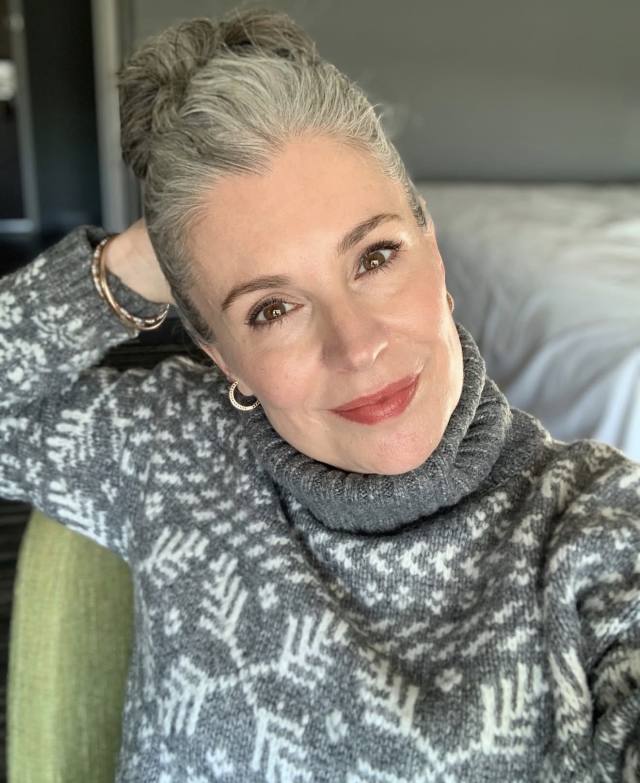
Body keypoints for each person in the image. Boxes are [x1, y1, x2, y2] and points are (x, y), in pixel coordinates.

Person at [1, 6, 638, 782]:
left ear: (432, 246)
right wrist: (139, 261)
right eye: (270, 308)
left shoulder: (594, 525)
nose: (357, 346)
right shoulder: (171, 450)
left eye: (375, 256)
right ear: (220, 355)